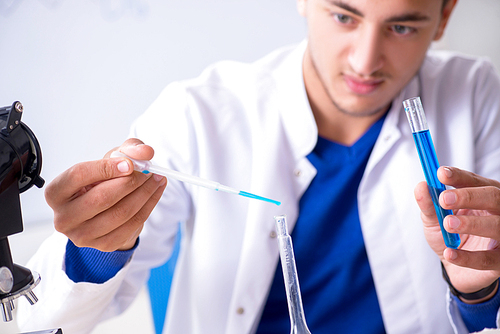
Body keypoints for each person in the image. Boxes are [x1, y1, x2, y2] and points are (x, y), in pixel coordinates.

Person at [17, 0, 500, 333]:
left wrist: (480, 292)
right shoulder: (199, 113)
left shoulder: (480, 96)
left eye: (402, 26)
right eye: (343, 16)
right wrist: (96, 245)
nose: (365, 61)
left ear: (444, 16)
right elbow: (45, 321)